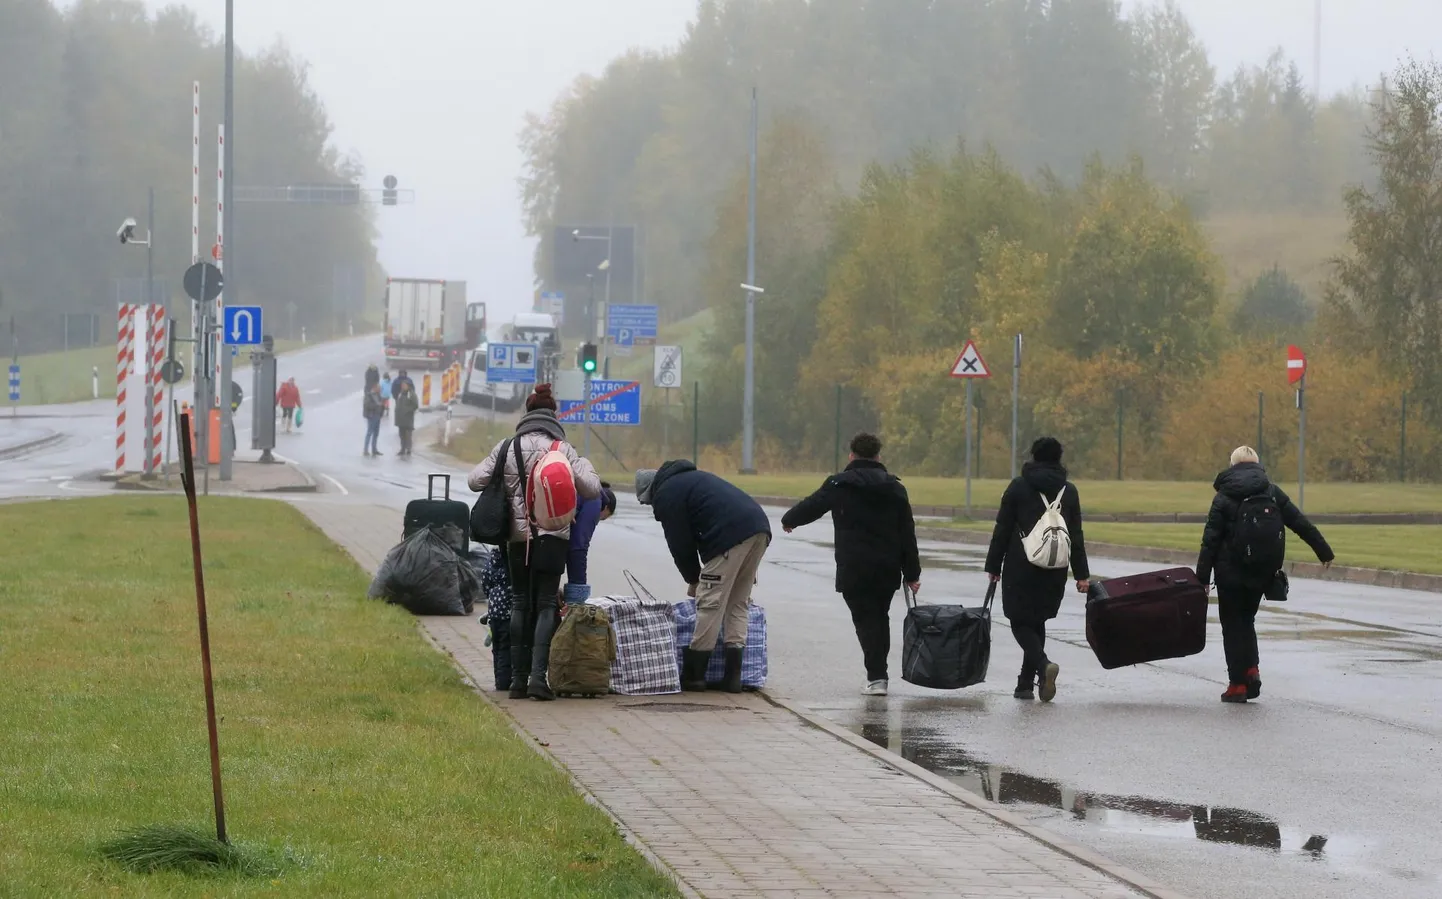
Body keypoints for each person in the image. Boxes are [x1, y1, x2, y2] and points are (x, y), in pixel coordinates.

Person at [467, 384, 601, 701]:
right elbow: (593, 489)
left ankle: (517, 681)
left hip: (516, 539)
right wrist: (581, 464)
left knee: (518, 602)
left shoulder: (507, 447)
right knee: (544, 605)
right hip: (553, 538)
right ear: (553, 417)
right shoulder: (562, 450)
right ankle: (539, 680)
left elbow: (474, 480)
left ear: (527, 415)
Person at [781, 433, 921, 696]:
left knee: (865, 620)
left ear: (851, 455)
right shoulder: (895, 488)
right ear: (879, 456)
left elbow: (812, 505)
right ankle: (879, 674)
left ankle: (877, 676)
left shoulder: (839, 485)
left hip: (854, 565)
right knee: (880, 617)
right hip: (887, 567)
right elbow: (907, 534)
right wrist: (912, 573)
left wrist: (789, 520)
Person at [1197, 446, 1333, 703]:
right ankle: (1252, 670)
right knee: (1247, 621)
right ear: (1257, 465)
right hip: (1262, 572)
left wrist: (1202, 579)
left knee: (1232, 626)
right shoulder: (1271, 491)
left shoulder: (1224, 496)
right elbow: (1300, 523)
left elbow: (1210, 540)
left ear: (1233, 465)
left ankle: (1238, 684)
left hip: (1229, 574)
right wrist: (1324, 551)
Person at [635, 461, 771, 694]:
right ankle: (733, 678)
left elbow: (680, 544)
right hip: (758, 528)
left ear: (651, 492)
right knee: (737, 603)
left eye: (648, 502)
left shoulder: (668, 493)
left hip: (730, 537)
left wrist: (694, 579)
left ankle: (695, 677)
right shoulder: (689, 480)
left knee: (710, 603)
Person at [985, 437, 1090, 703]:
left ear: (1033, 456)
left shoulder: (1019, 487)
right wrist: (1081, 574)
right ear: (1059, 458)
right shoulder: (1070, 490)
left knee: (1019, 621)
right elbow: (1075, 535)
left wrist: (993, 565)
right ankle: (1024, 684)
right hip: (1055, 566)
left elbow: (1003, 528)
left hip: (1021, 565)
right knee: (1038, 620)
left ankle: (1043, 666)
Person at [564, 482, 618, 606]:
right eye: (601, 518)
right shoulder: (595, 499)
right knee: (547, 602)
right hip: (550, 543)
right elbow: (579, 545)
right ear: (605, 508)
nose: (597, 522)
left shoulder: (581, 487)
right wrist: (578, 593)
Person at [480, 545, 513, 692]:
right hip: (508, 614)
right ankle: (504, 681)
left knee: (497, 648)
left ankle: (498, 679)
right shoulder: (511, 563)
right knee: (506, 647)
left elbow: (485, 585)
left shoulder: (490, 561)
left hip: (494, 614)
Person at [393, 378, 419, 456]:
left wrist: (408, 410)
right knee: (401, 435)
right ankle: (402, 449)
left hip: (408, 419)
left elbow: (415, 405)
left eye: (404, 385)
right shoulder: (401, 394)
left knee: (408, 434)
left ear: (408, 386)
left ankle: (408, 448)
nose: (403, 386)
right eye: (402, 385)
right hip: (401, 419)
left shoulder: (411, 394)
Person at [362, 383, 384, 456]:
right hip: (372, 416)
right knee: (369, 433)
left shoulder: (378, 395)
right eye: (379, 388)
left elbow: (381, 404)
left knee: (376, 434)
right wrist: (376, 405)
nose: (380, 389)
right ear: (374, 388)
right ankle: (365, 450)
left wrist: (381, 410)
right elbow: (367, 405)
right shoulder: (369, 395)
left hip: (378, 416)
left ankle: (374, 449)